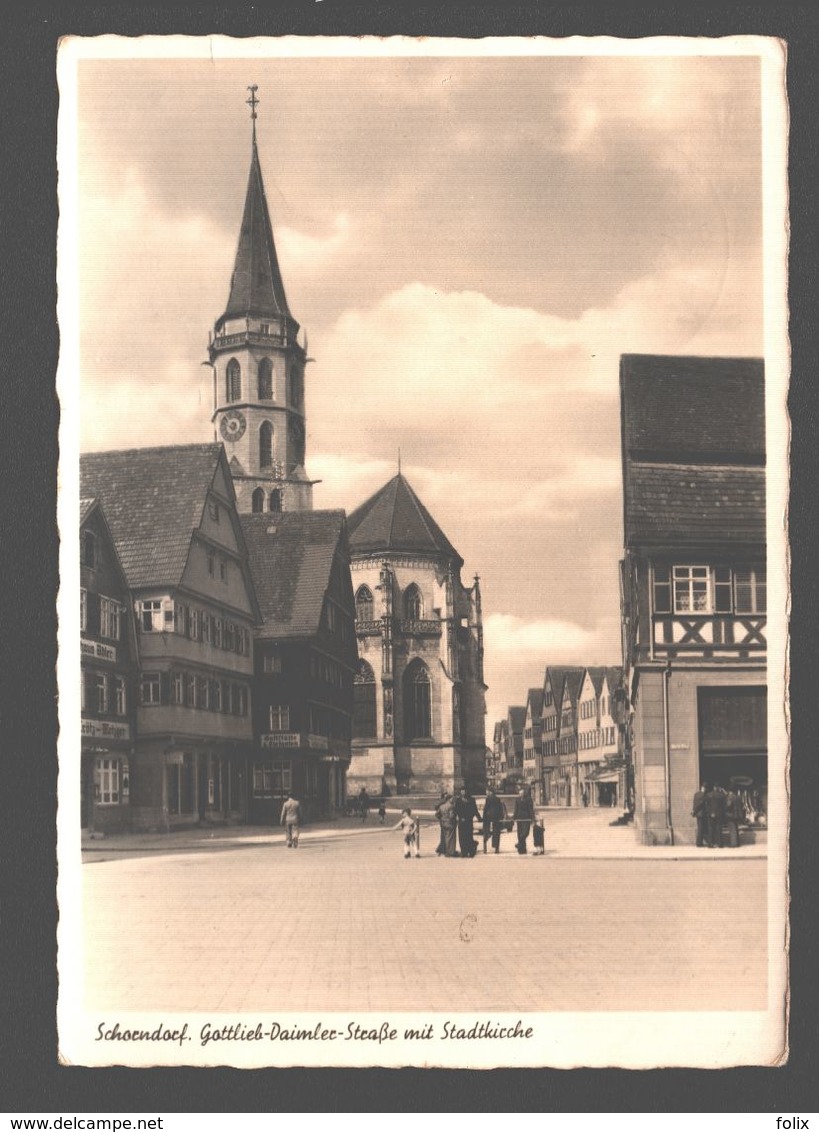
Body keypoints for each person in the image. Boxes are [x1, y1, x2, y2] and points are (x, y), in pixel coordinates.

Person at [455, 787, 481, 858]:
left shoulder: (472, 800)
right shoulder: (458, 800)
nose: (463, 793)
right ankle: (464, 852)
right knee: (462, 837)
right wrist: (460, 817)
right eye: (462, 791)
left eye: (464, 791)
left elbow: (474, 810)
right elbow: (456, 810)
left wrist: (479, 818)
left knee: (469, 837)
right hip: (461, 821)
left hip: (469, 821)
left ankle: (470, 851)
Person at [481, 788, 505, 854]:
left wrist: (483, 818)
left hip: (488, 819)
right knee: (496, 834)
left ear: (490, 792)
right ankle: (496, 849)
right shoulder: (498, 799)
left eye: (487, 791)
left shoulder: (488, 799)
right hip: (496, 819)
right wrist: (501, 817)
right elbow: (500, 809)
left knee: (486, 833)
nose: (486, 793)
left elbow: (485, 809)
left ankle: (485, 849)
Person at [513, 786, 535, 854]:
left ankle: (520, 844)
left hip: (526, 818)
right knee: (519, 834)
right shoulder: (517, 799)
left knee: (525, 833)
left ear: (524, 793)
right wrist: (514, 818)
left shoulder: (528, 799)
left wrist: (532, 818)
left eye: (522, 793)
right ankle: (522, 850)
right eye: (520, 793)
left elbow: (531, 809)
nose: (521, 794)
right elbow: (516, 809)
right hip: (519, 818)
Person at [705, 783, 726, 849]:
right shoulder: (721, 795)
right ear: (717, 788)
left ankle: (710, 844)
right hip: (719, 815)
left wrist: (710, 812)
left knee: (710, 829)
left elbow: (707, 806)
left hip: (710, 814)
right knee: (719, 829)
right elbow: (723, 806)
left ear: (713, 787)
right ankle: (720, 844)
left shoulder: (708, 795)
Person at [692, 782, 709, 847]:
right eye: (705, 788)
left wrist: (694, 811)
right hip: (702, 813)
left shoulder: (696, 794)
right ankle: (699, 843)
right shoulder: (703, 795)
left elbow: (694, 803)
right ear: (703, 788)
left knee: (699, 828)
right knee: (701, 829)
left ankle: (699, 842)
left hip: (697, 814)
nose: (705, 789)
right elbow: (700, 804)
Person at [434, 790, 449, 855]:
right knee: (445, 835)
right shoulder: (443, 802)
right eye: (445, 794)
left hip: (443, 820)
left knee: (444, 835)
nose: (446, 795)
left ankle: (442, 849)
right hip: (444, 820)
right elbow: (437, 811)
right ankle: (441, 849)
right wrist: (441, 818)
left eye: (446, 794)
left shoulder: (442, 802)